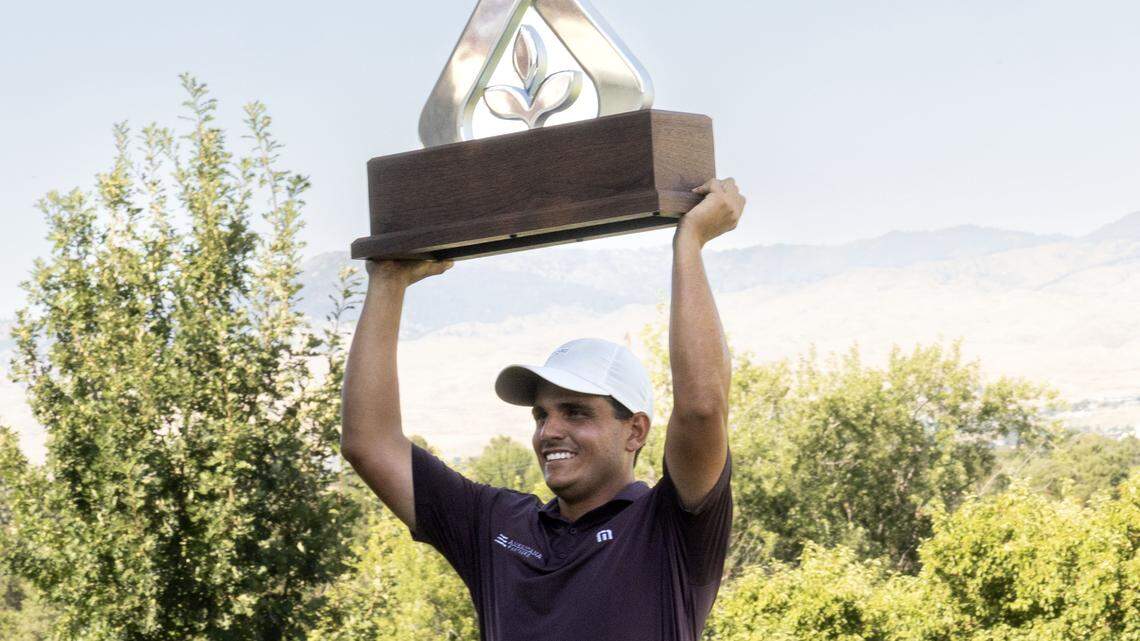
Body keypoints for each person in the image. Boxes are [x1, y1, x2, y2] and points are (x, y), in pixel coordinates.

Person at [341, 177, 747, 640]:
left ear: (634, 431)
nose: (549, 430)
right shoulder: (493, 524)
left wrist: (690, 243)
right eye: (541, 414)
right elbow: (368, 442)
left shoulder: (672, 526)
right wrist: (389, 279)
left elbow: (701, 408)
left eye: (575, 412)